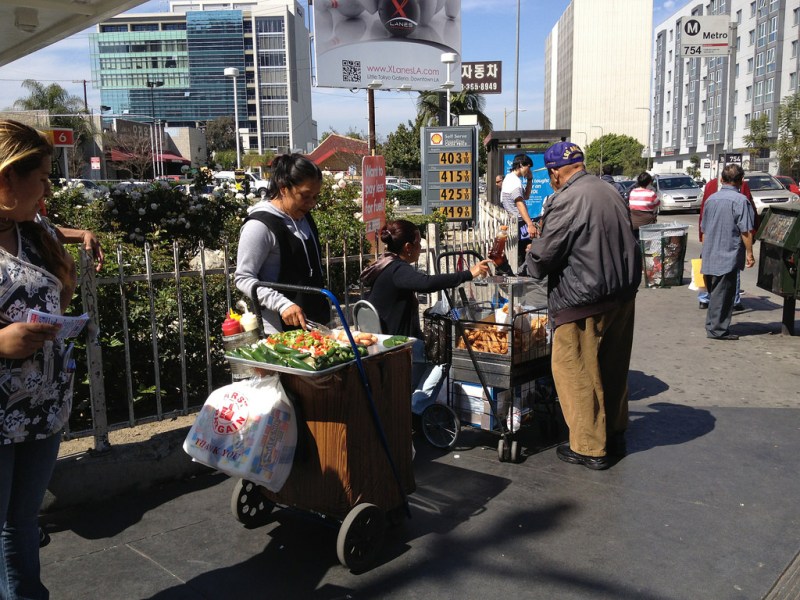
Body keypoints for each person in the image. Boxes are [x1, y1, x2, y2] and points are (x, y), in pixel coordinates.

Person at [526, 141, 641, 470]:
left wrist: (529, 261)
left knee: (573, 371)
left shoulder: (566, 199)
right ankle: (615, 434)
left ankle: (590, 448)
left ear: (554, 173)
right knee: (612, 370)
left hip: (582, 299)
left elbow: (544, 255)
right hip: (621, 295)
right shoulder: (610, 190)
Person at [0, 119, 78, 599]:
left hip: (42, 405)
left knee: (22, 521)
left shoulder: (35, 231)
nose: (49, 187)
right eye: (42, 177)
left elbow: (53, 302)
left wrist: (63, 298)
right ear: (6, 178)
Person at [359, 220, 491, 410]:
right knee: (443, 357)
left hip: (384, 338)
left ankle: (408, 396)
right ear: (408, 247)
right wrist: (469, 273)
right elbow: (427, 283)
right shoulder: (398, 269)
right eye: (419, 244)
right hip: (396, 342)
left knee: (428, 352)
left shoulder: (384, 263)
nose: (421, 248)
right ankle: (416, 409)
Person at [235, 153, 328, 334]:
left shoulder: (304, 217)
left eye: (316, 197)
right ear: (283, 188)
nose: (311, 204)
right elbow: (243, 278)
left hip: (314, 324)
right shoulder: (260, 225)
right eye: (305, 196)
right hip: (279, 330)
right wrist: (282, 304)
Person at [700, 163, 755, 341]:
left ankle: (713, 325)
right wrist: (750, 253)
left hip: (710, 252)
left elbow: (704, 228)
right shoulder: (741, 201)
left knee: (715, 292)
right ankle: (718, 329)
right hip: (727, 253)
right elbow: (746, 231)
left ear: (722, 179)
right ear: (741, 181)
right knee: (724, 294)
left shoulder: (711, 199)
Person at [500, 154, 536, 265]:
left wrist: (530, 179)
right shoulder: (514, 181)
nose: (528, 170)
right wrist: (530, 224)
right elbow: (519, 203)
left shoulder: (509, 178)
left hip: (514, 223)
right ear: (521, 165)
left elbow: (526, 196)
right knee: (524, 256)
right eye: (528, 167)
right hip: (519, 224)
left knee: (519, 257)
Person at [627, 171, 660, 239]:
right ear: (649, 182)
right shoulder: (651, 193)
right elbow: (657, 205)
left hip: (634, 223)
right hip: (647, 223)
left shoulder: (633, 192)